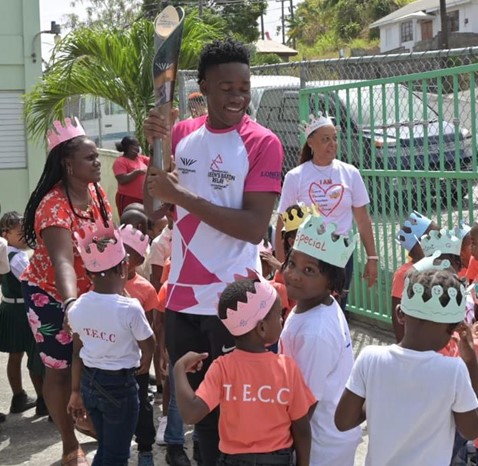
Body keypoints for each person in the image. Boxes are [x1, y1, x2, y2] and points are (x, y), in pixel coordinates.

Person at [144, 38, 283, 465]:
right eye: (226, 87)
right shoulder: (182, 133)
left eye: (244, 86)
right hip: (184, 301)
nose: (238, 96)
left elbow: (253, 226)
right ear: (202, 86)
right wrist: (155, 146)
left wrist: (179, 195)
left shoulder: (263, 143)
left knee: (240, 411)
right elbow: (153, 205)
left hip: (235, 303)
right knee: (202, 419)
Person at [21, 117, 111, 465]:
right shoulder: (53, 207)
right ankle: (68, 442)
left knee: (90, 363)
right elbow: (62, 263)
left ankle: (86, 416)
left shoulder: (96, 193)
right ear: (67, 164)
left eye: (96, 156)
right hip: (51, 296)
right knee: (59, 369)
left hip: (89, 294)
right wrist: (71, 305)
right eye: (89, 157)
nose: (97, 162)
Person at [335, 269, 478, 465]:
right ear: (453, 329)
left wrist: (381, 400)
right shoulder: (454, 371)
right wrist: (471, 363)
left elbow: (343, 421)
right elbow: (471, 429)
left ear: (400, 313)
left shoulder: (370, 358)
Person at [174, 270, 316, 466]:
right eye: (278, 315)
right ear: (262, 328)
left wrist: (179, 368)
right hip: (277, 460)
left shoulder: (221, 368)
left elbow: (191, 413)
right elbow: (301, 427)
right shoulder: (287, 368)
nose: (282, 319)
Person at [67, 222, 155, 466]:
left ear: (88, 274)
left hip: (89, 385)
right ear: (124, 268)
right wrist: (145, 364)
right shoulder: (130, 308)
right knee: (116, 455)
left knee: (107, 448)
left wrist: (75, 391)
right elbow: (149, 345)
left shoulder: (77, 307)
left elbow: (76, 353)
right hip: (120, 387)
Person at [279, 212, 362, 465]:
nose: (294, 274)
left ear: (331, 283)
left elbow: (305, 406)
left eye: (309, 270)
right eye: (292, 263)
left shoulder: (315, 333)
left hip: (320, 446)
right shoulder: (314, 305)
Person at [275, 113, 377, 312]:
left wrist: (372, 258)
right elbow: (282, 224)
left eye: (334, 138)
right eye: (325, 139)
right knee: (308, 309)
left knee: (337, 308)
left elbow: (363, 220)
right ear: (310, 142)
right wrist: (282, 265)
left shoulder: (350, 173)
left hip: (340, 255)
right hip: (308, 253)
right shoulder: (295, 177)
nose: (332, 144)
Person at [119, 224, 160, 466]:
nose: (122, 256)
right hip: (112, 358)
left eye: (128, 252)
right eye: (119, 248)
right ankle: (119, 448)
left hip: (137, 361)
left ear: (139, 258)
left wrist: (152, 358)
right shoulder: (101, 283)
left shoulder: (145, 289)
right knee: (116, 408)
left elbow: (151, 329)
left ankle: (145, 449)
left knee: (141, 404)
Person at [0, 211, 45, 415]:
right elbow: (32, 280)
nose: (25, 236)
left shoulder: (6, 253)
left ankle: (19, 396)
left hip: (10, 307)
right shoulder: (17, 258)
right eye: (20, 232)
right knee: (34, 354)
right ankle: (42, 399)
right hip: (21, 311)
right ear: (6, 233)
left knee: (15, 355)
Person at [391, 211, 438, 341]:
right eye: (433, 237)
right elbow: (397, 315)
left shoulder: (439, 268)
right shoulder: (404, 274)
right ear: (417, 245)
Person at [113, 136, 149, 216]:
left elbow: (154, 162)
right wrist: (136, 172)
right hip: (128, 198)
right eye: (136, 145)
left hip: (142, 198)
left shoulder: (140, 158)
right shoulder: (120, 162)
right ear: (130, 147)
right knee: (129, 221)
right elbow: (122, 179)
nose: (138, 148)